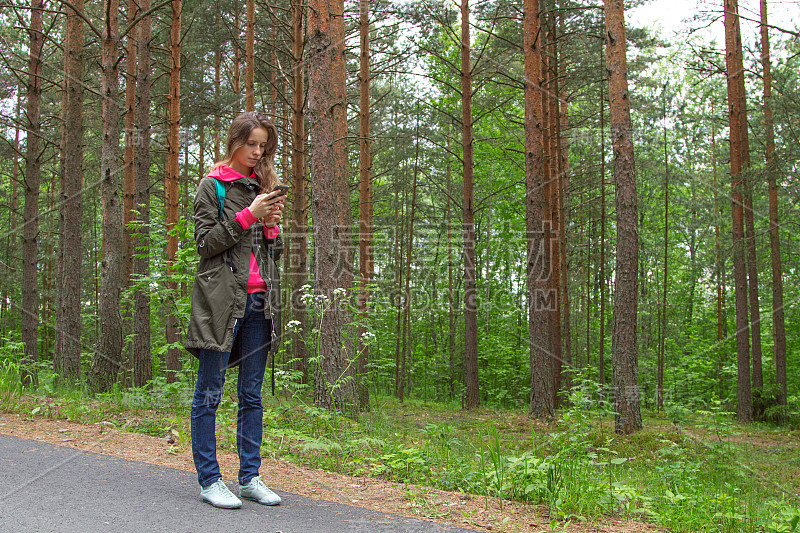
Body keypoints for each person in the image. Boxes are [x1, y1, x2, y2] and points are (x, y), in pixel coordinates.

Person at [186, 111, 286, 509]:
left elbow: (271, 252)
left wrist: (271, 227)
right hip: (221, 302)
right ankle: (210, 480)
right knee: (209, 393)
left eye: (263, 146)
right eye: (252, 144)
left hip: (260, 301)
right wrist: (249, 216)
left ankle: (249, 478)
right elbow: (204, 244)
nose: (257, 152)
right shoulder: (213, 186)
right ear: (235, 142)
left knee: (252, 395)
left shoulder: (261, 186)